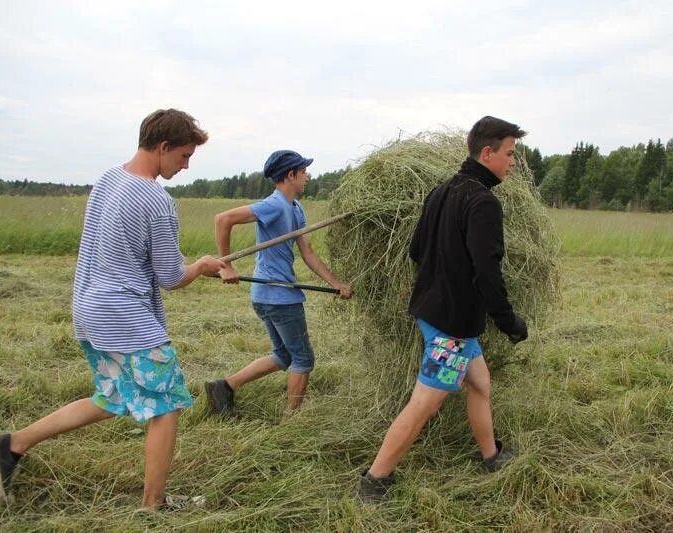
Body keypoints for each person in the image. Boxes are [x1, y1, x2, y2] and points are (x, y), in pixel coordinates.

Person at [0, 109, 226, 510]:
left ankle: (12, 444)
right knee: (166, 407)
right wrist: (201, 266)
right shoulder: (157, 199)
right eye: (183, 156)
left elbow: (127, 254)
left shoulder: (108, 180)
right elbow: (169, 276)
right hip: (124, 316)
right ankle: (154, 506)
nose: (185, 166)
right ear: (163, 147)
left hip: (88, 308)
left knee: (112, 396)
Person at [357, 116, 530, 502]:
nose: (513, 162)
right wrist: (508, 322)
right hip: (452, 327)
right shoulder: (483, 202)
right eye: (509, 154)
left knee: (480, 383)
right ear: (487, 153)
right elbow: (488, 272)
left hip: (434, 312)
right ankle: (375, 478)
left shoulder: (441, 191)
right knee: (426, 403)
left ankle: (491, 455)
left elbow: (415, 251)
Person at [205, 150, 351, 415]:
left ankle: (224, 386)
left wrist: (336, 283)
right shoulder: (274, 204)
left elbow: (308, 253)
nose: (307, 176)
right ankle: (292, 420)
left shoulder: (296, 207)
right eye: (304, 171)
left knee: (283, 356)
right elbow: (222, 219)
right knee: (303, 359)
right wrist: (226, 264)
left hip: (267, 295)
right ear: (290, 174)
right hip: (278, 295)